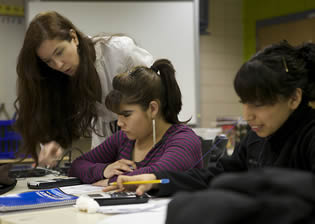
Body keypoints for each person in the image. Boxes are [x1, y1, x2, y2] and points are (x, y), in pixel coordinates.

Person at [104, 41, 315, 221]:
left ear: (294, 98)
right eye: (244, 103)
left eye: (258, 104)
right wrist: (157, 180)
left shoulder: (309, 136)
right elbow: (213, 177)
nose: (248, 115)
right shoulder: (257, 137)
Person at [14, 11, 153, 167]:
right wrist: (54, 141)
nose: (58, 65)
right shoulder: (58, 77)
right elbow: (59, 117)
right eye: (49, 61)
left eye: (59, 52)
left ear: (73, 37)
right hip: (106, 141)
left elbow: (157, 92)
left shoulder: (120, 51)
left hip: (145, 135)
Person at [68, 59, 203, 185]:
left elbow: (158, 174)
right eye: (118, 115)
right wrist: (104, 170)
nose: (119, 123)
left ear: (152, 109)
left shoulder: (184, 140)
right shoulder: (123, 138)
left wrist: (110, 181)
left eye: (126, 115)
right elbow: (77, 166)